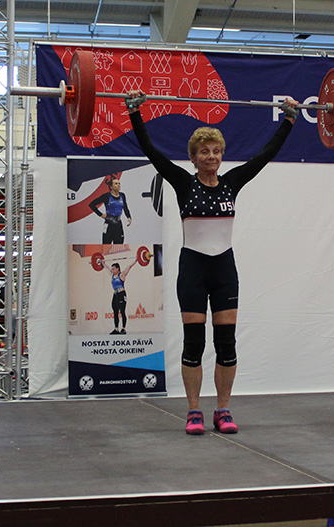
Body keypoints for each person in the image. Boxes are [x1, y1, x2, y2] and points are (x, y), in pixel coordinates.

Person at [124, 88, 298, 435]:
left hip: (224, 271)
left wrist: (289, 119)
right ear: (193, 156)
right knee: (194, 343)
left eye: (216, 151)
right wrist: (134, 112)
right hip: (193, 270)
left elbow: (264, 156)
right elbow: (151, 151)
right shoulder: (183, 184)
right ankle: (192, 411)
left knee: (226, 344)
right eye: (204, 151)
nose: (211, 156)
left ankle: (222, 409)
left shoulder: (232, 183)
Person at [88, 176, 132, 244]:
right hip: (109, 224)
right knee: (106, 245)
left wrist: (129, 217)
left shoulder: (122, 195)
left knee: (119, 246)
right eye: (116, 184)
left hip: (118, 224)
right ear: (111, 187)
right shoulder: (106, 196)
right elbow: (92, 205)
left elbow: (125, 207)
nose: (118, 185)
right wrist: (101, 215)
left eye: (119, 183)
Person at [102, 258, 137, 335]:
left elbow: (129, 267)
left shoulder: (122, 275)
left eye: (113, 269)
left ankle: (123, 329)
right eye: (112, 269)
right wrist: (103, 263)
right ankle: (116, 329)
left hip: (122, 294)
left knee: (122, 311)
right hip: (115, 295)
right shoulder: (112, 275)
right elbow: (107, 268)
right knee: (115, 312)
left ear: (117, 269)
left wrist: (136, 260)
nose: (112, 270)